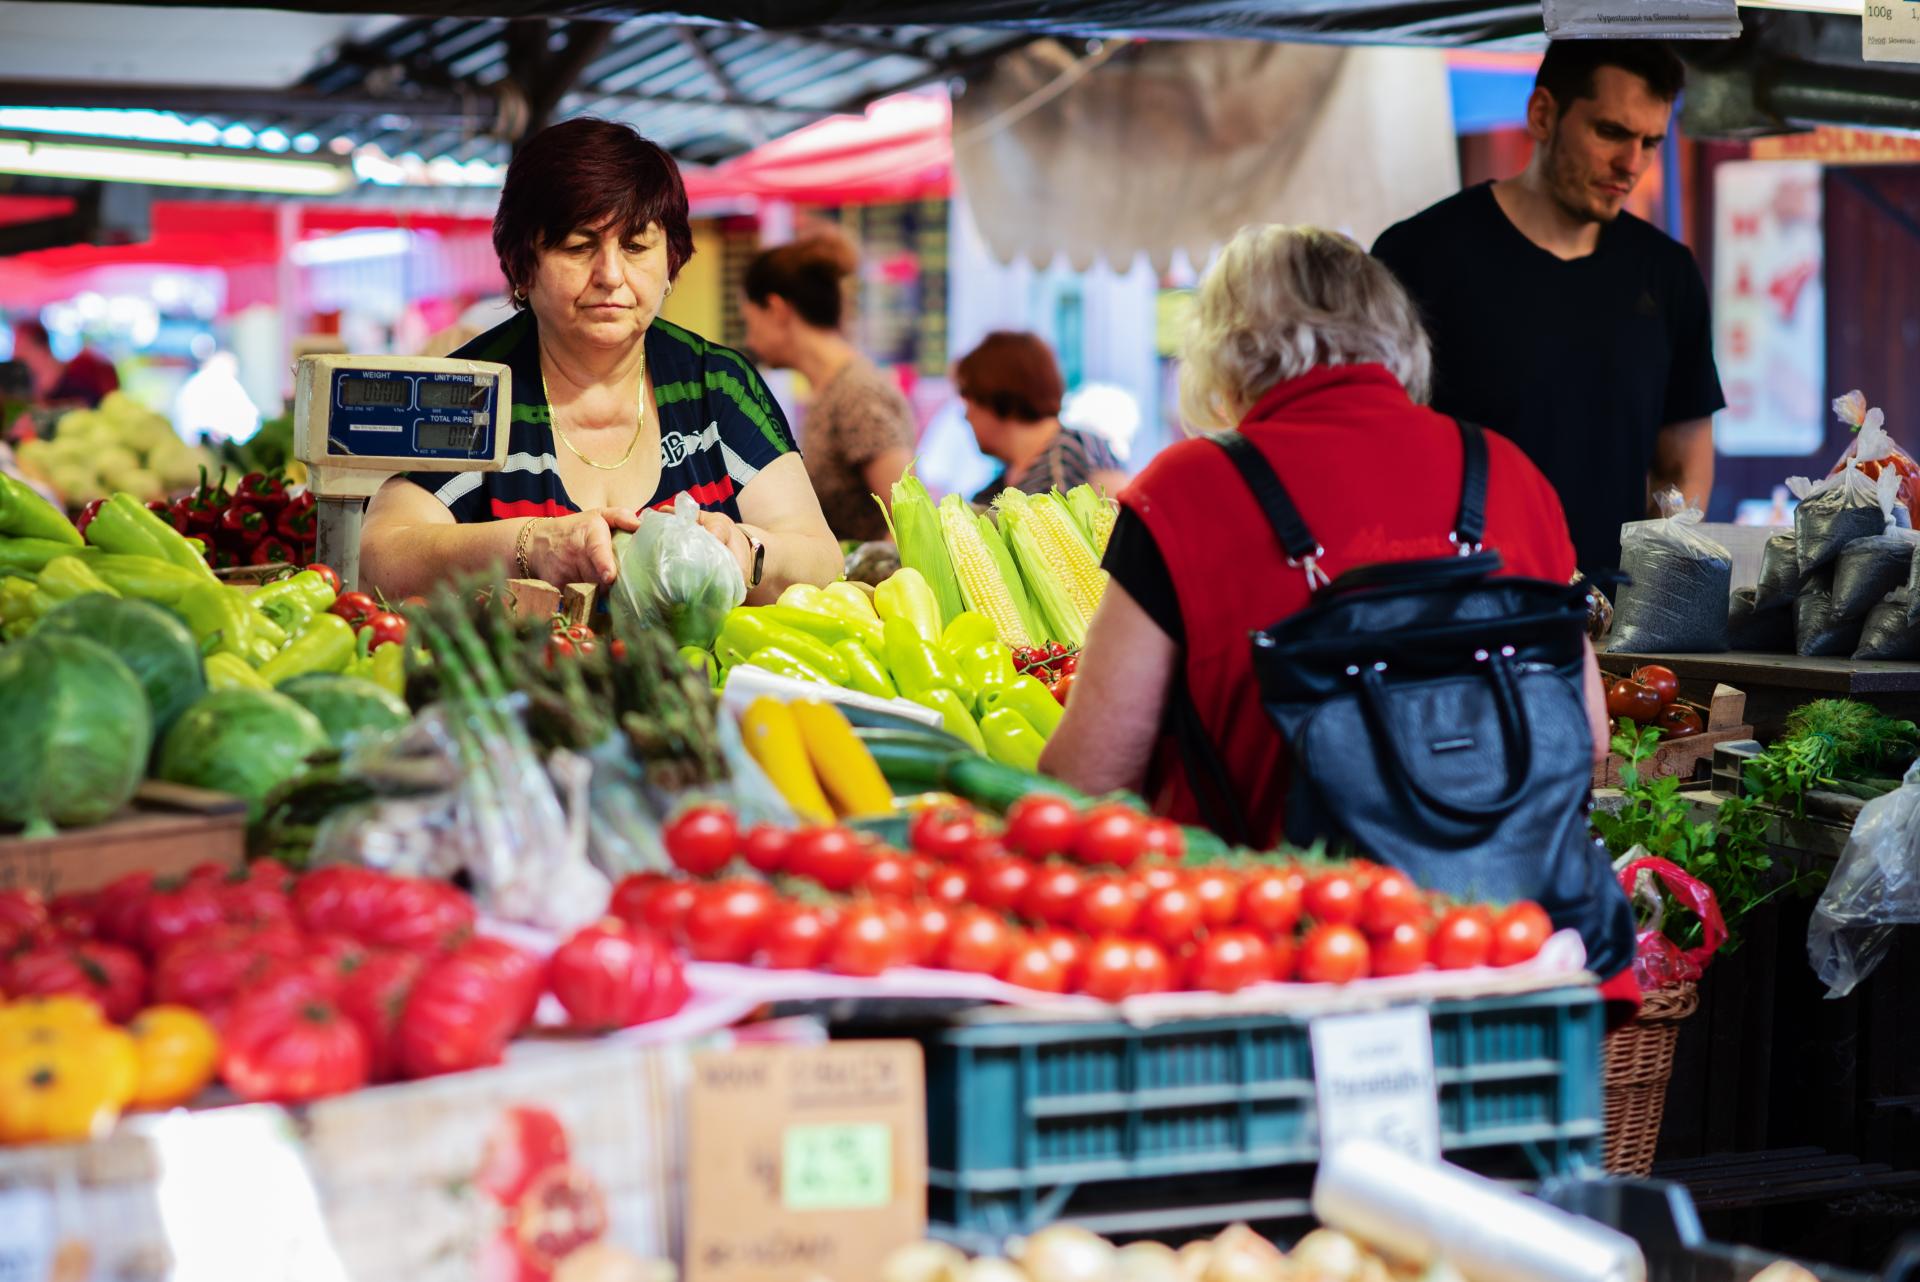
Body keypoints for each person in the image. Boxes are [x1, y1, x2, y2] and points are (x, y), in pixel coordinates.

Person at [1039, 224, 1612, 851]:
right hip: (1501, 921)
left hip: (1273, 920)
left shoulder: (1185, 488)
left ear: (1227, 347)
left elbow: (1091, 776)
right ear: (1395, 335)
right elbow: (1587, 731)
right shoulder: (1506, 470)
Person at [361, 119, 841, 601]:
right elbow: (379, 558)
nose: (610, 274)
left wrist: (745, 548)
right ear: (522, 265)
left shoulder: (715, 386)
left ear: (670, 261)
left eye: (635, 246)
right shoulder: (474, 394)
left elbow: (820, 559)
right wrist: (532, 545)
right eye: (578, 246)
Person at [1371, 40, 1722, 582]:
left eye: (1650, 142)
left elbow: (1682, 458)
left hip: (1613, 620)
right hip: (1463, 606)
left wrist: (1659, 581)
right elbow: (1379, 444)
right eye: (1611, 132)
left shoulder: (1667, 272)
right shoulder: (1419, 255)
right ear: (1542, 114)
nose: (1631, 164)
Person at [740, 231, 914, 543]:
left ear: (777, 310)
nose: (750, 340)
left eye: (750, 324)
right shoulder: (830, 389)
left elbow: (909, 520)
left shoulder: (857, 393)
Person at [956, 332, 1129, 504]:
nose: (966, 416)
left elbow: (1121, 519)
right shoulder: (992, 494)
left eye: (968, 399)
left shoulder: (1079, 449)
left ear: (995, 395)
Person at [9, 320, 119, 408]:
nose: (15, 355)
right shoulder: (31, 387)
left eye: (22, 349)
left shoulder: (79, 372)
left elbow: (87, 407)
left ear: (41, 348)